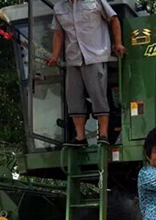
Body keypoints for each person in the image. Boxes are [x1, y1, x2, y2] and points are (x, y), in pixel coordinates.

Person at [47, 0, 126, 146]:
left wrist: (118, 43)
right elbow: (58, 33)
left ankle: (103, 134)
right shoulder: (59, 8)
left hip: (95, 56)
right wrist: (55, 55)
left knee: (98, 94)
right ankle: (80, 136)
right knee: (73, 97)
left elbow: (113, 19)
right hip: (73, 59)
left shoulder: (96, 1)